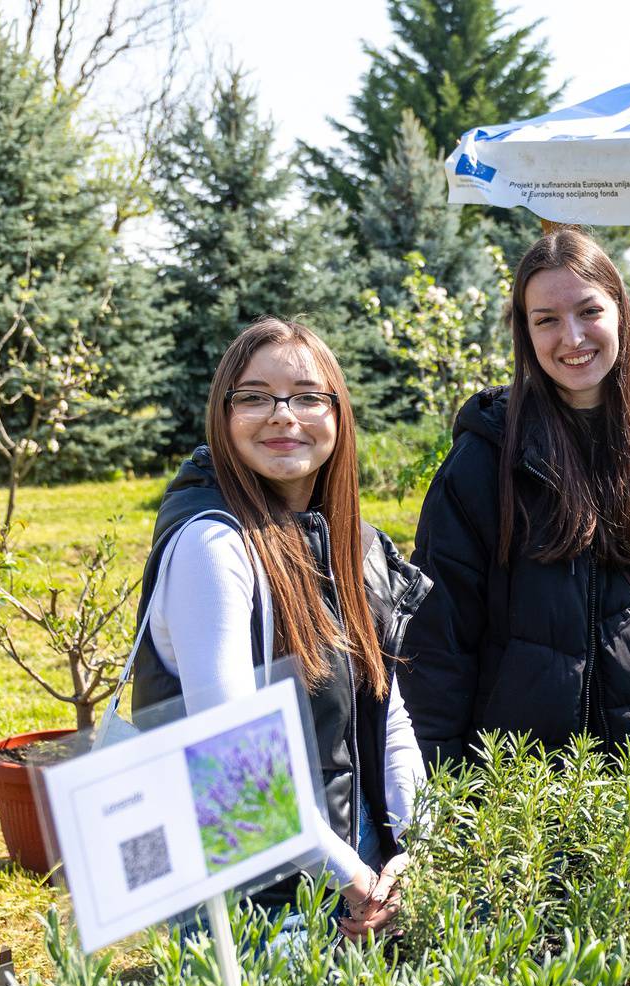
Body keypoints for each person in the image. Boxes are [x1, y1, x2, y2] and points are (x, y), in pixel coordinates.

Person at [406, 228, 630, 784]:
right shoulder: (484, 460)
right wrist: (434, 797)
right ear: (525, 333)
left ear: (620, 315)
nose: (573, 336)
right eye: (547, 320)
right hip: (515, 793)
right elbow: (439, 641)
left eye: (589, 311)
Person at [134, 318, 428, 936]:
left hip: (352, 867)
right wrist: (350, 877)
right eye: (254, 397)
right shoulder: (214, 546)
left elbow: (388, 714)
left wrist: (412, 847)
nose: (282, 415)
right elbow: (232, 760)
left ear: (338, 413)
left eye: (306, 396)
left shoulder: (355, 545)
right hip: (251, 895)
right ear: (223, 414)